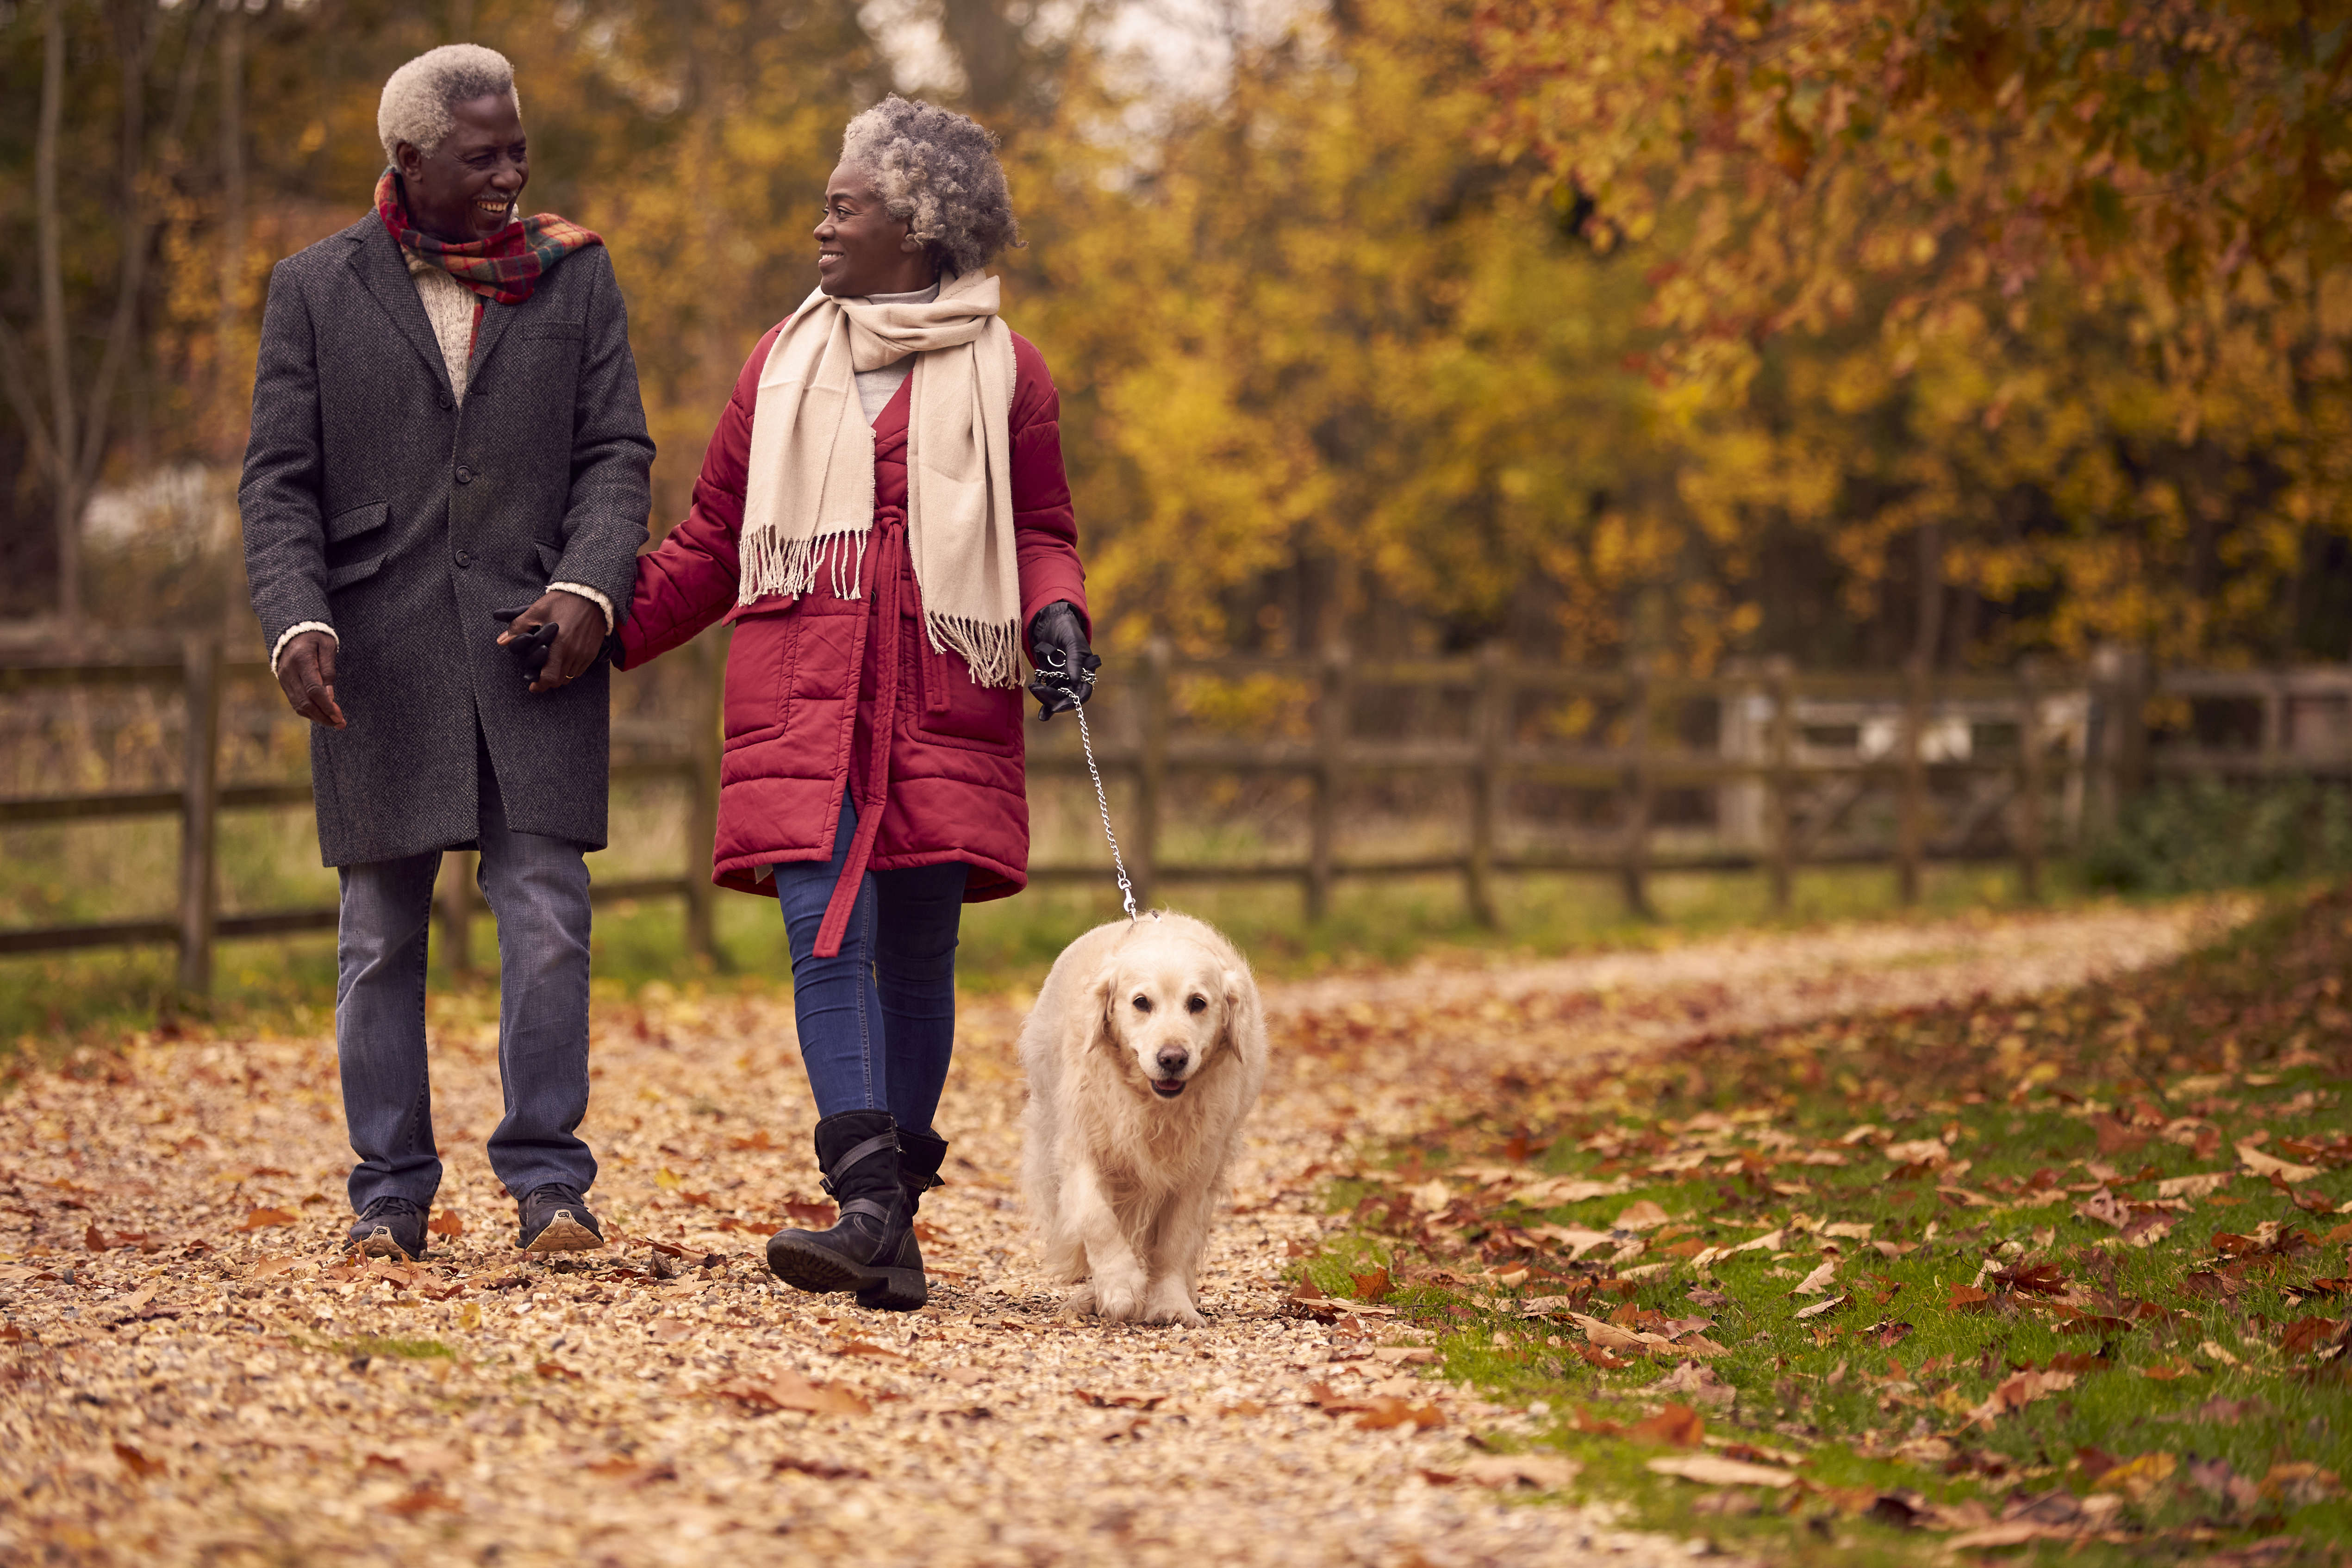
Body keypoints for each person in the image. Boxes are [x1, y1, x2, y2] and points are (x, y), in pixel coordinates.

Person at [617, 96, 1095, 1311]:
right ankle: (868, 1200)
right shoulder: (781, 362)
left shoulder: (1008, 372)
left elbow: (1040, 529)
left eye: (847, 205)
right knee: (825, 932)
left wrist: (1058, 615)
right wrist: (605, 626)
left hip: (944, 692)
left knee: (918, 951)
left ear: (922, 227)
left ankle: (885, 1226)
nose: (820, 225)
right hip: (807, 698)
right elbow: (719, 536)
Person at [239, 44, 654, 1260]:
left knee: (547, 916)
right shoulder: (313, 288)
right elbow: (277, 484)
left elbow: (616, 453)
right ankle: (389, 1194)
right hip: (375, 655)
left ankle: (549, 1187)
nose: (513, 171)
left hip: (539, 641)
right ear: (408, 160)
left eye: (518, 144)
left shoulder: (576, 276)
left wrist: (590, 583)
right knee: (377, 935)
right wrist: (295, 618)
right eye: (483, 154)